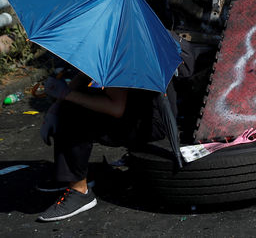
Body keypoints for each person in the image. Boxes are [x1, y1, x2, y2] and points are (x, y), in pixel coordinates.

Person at [38, 70, 170, 221]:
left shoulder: (117, 54)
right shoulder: (104, 51)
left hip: (149, 123)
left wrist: (66, 95)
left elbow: (116, 108)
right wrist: (55, 109)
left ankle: (79, 191)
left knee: (74, 112)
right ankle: (73, 173)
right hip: (141, 111)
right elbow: (84, 75)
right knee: (74, 100)